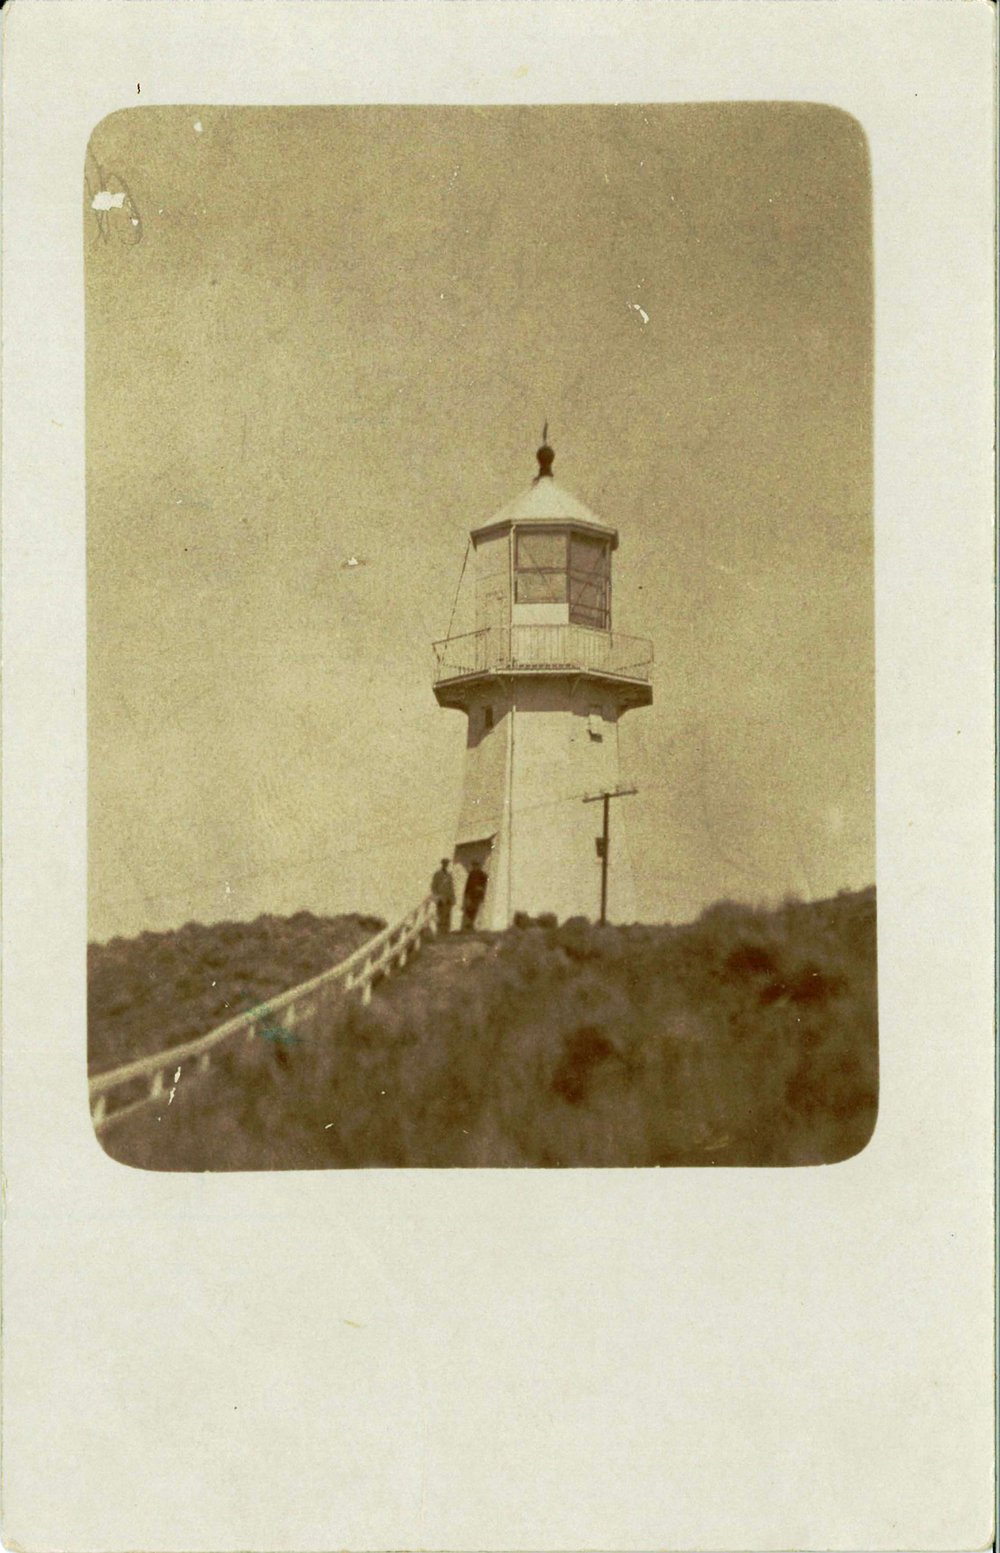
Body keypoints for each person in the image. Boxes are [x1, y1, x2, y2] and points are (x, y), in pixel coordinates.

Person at [461, 859, 489, 931]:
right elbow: (467, 885)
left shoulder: (481, 874)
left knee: (475, 909)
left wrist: (481, 889)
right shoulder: (471, 874)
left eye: (476, 865)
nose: (474, 867)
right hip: (471, 895)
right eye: (473, 865)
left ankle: (472, 924)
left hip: (477, 895)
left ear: (478, 866)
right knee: (469, 908)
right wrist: (466, 894)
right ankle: (470, 924)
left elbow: (484, 883)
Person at [431, 858, 455, 934]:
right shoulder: (437, 874)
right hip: (441, 898)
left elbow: (451, 887)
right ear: (442, 864)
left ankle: (446, 932)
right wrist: (437, 896)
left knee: (447, 915)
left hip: (448, 898)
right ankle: (439, 932)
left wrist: (453, 897)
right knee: (440, 915)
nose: (446, 865)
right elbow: (433, 886)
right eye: (444, 863)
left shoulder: (449, 875)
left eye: (447, 864)